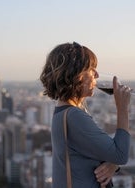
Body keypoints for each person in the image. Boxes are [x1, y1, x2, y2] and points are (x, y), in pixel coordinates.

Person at [39, 42, 131, 188]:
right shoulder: (74, 116)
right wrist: (122, 108)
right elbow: (121, 154)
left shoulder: (63, 112)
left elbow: (100, 152)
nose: (97, 75)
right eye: (91, 69)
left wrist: (112, 164)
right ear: (76, 75)